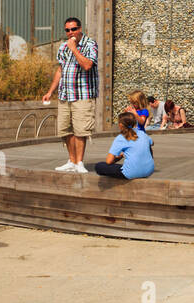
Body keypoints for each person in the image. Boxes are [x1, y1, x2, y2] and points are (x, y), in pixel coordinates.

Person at [42, 16, 98, 173]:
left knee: (81, 130)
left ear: (80, 29)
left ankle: (80, 162)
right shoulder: (62, 47)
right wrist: (50, 91)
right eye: (67, 30)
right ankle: (72, 161)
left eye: (73, 29)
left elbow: (87, 65)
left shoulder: (90, 44)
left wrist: (74, 48)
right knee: (65, 130)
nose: (70, 32)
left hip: (82, 94)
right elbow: (60, 70)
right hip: (65, 95)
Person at [92, 111, 155, 180]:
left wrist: (118, 158)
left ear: (121, 125)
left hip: (131, 173)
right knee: (147, 145)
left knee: (99, 166)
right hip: (149, 170)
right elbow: (152, 143)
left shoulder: (121, 138)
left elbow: (109, 161)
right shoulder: (142, 133)